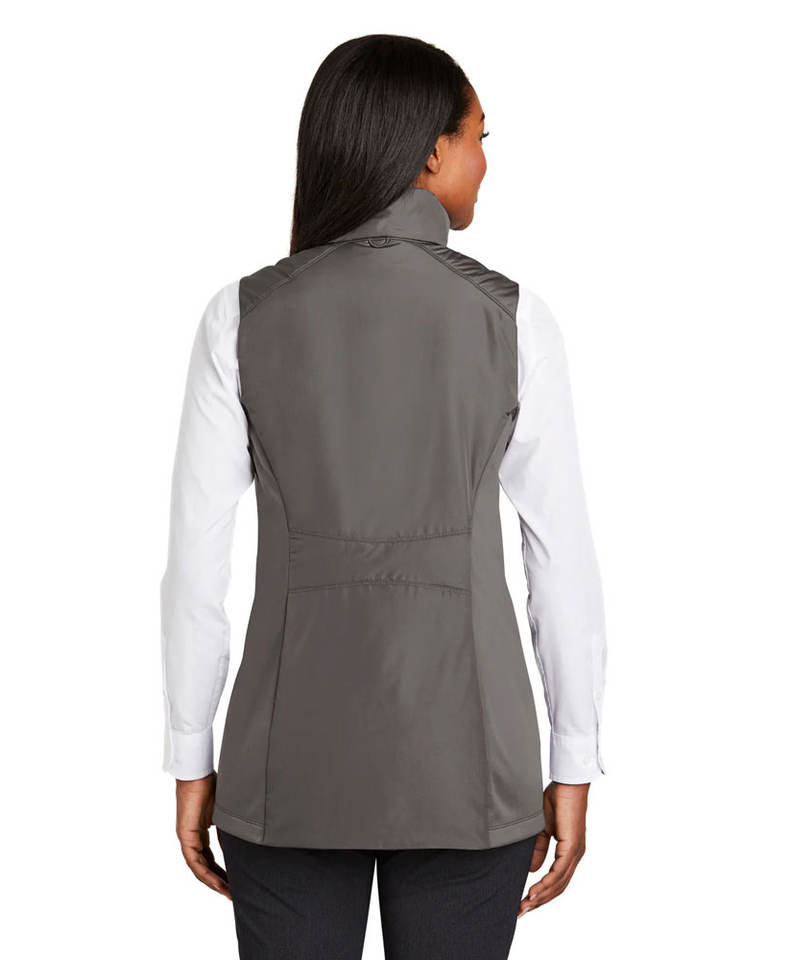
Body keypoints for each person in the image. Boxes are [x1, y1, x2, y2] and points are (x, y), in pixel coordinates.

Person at [160, 33, 607, 960]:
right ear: (432, 151)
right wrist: (572, 757)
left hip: (284, 769)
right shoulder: (513, 320)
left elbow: (194, 569)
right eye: (480, 137)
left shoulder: (240, 316)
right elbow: (559, 561)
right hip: (470, 768)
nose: (487, 162)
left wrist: (191, 751)